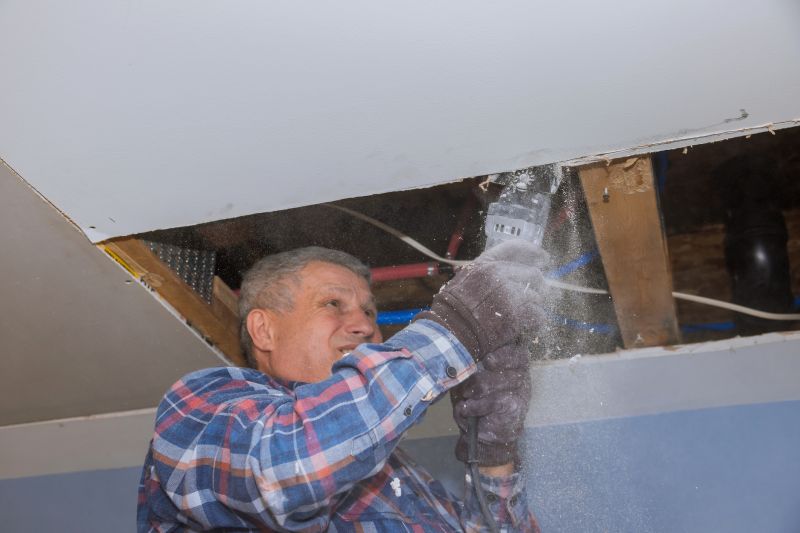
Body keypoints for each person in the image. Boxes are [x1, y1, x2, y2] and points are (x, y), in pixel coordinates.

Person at [138, 243, 547, 532]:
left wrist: (495, 452)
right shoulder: (201, 404)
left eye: (370, 311)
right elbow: (285, 470)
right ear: (263, 329)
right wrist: (459, 325)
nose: (367, 325)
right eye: (333, 304)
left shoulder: (400, 474)